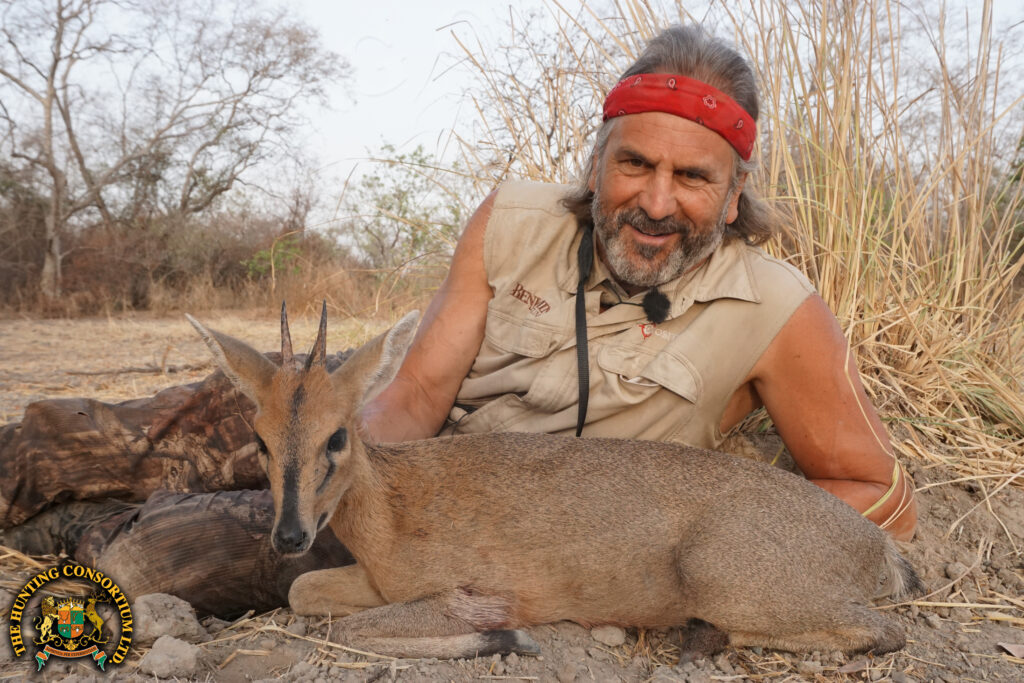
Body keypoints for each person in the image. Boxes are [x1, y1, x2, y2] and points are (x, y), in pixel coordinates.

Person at [0, 25, 915, 617]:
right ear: (596, 159)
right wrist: (338, 469)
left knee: (150, 556)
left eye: (694, 178)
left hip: (487, 518)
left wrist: (686, 542)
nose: (656, 201)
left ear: (735, 188)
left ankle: (63, 539)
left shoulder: (778, 306)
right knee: (75, 440)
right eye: (634, 164)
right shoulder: (515, 217)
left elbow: (877, 493)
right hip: (365, 450)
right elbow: (420, 389)